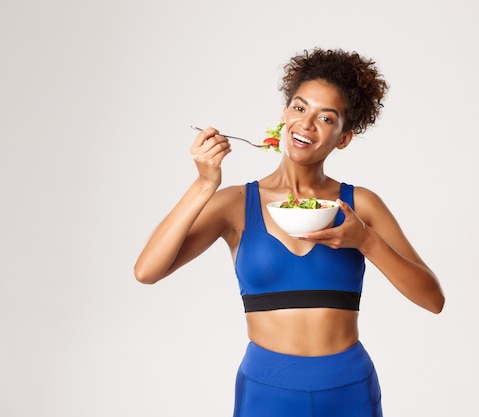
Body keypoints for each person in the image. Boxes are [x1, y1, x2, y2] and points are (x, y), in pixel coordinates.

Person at [134, 47, 445, 417]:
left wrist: (365, 241)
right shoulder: (235, 204)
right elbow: (147, 271)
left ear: (344, 137)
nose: (307, 124)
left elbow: (433, 300)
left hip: (349, 389)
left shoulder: (360, 205)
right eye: (299, 108)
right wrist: (204, 185)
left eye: (326, 117)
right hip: (266, 389)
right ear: (283, 113)